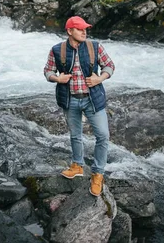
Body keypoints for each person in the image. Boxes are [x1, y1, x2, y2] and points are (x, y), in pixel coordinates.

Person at [43, 16, 115, 196]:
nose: (84, 32)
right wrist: (57, 78)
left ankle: (98, 174)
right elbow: (48, 71)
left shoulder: (94, 47)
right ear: (69, 31)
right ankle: (77, 165)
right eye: (80, 29)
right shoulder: (57, 50)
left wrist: (100, 78)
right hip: (70, 100)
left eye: (85, 29)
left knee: (103, 135)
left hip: (93, 99)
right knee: (75, 135)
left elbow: (110, 65)